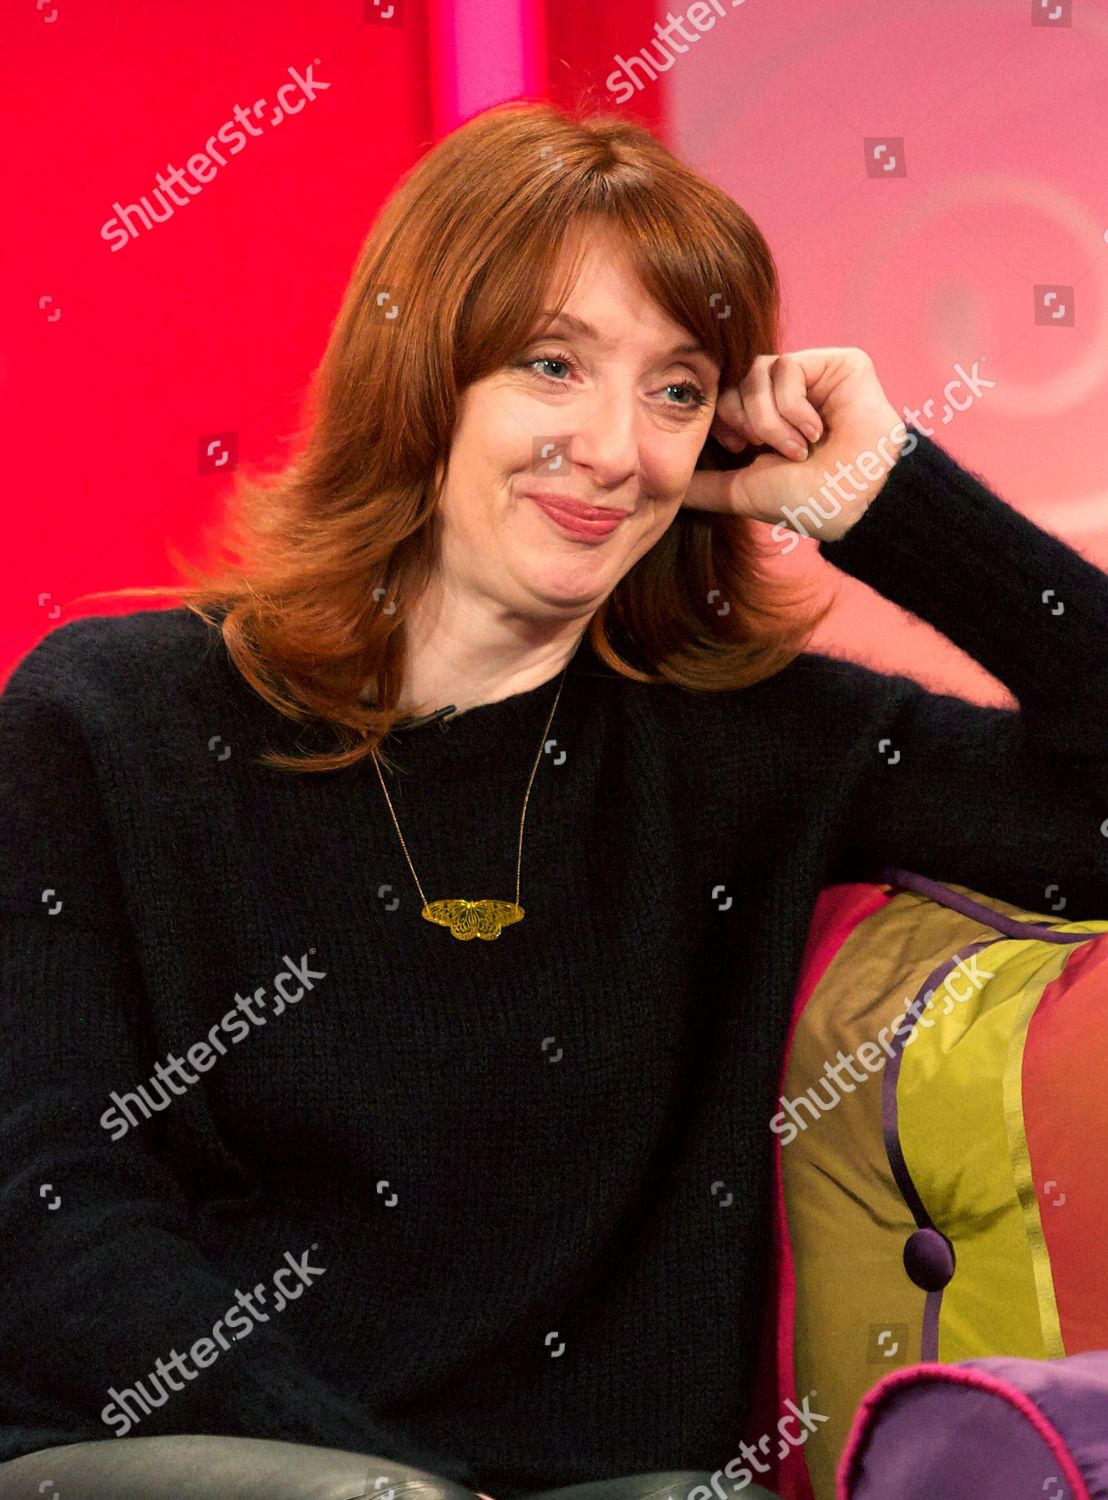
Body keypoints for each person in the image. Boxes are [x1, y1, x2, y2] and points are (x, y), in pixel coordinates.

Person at [1, 97, 1107, 1500]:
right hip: (198, 1463)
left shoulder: (751, 744)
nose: (614, 448)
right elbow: (46, 1208)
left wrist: (888, 495)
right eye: (552, 365)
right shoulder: (108, 719)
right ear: (424, 375)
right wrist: (394, 1483)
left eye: (678, 390)